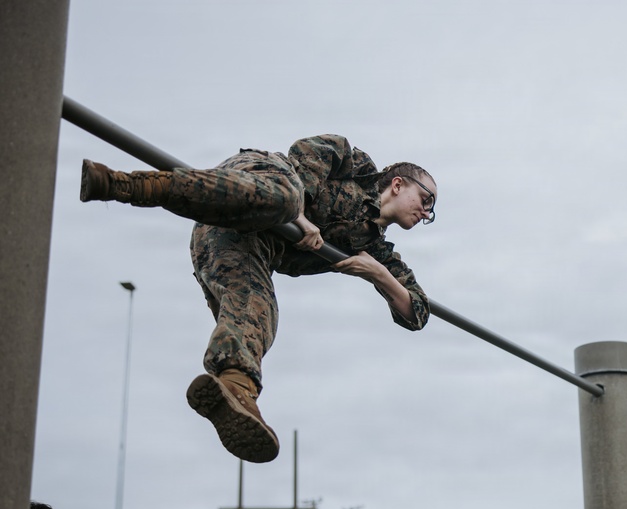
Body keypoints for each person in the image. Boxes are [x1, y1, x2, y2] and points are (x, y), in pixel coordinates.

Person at [80, 135, 437, 463]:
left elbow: (416, 312)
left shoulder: (374, 249)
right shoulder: (356, 166)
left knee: (259, 309)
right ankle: (126, 185)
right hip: (255, 183)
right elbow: (308, 154)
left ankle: (236, 389)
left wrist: (378, 274)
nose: (426, 213)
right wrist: (298, 216)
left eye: (430, 211)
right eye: (426, 200)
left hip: (234, 241)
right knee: (283, 198)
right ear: (398, 183)